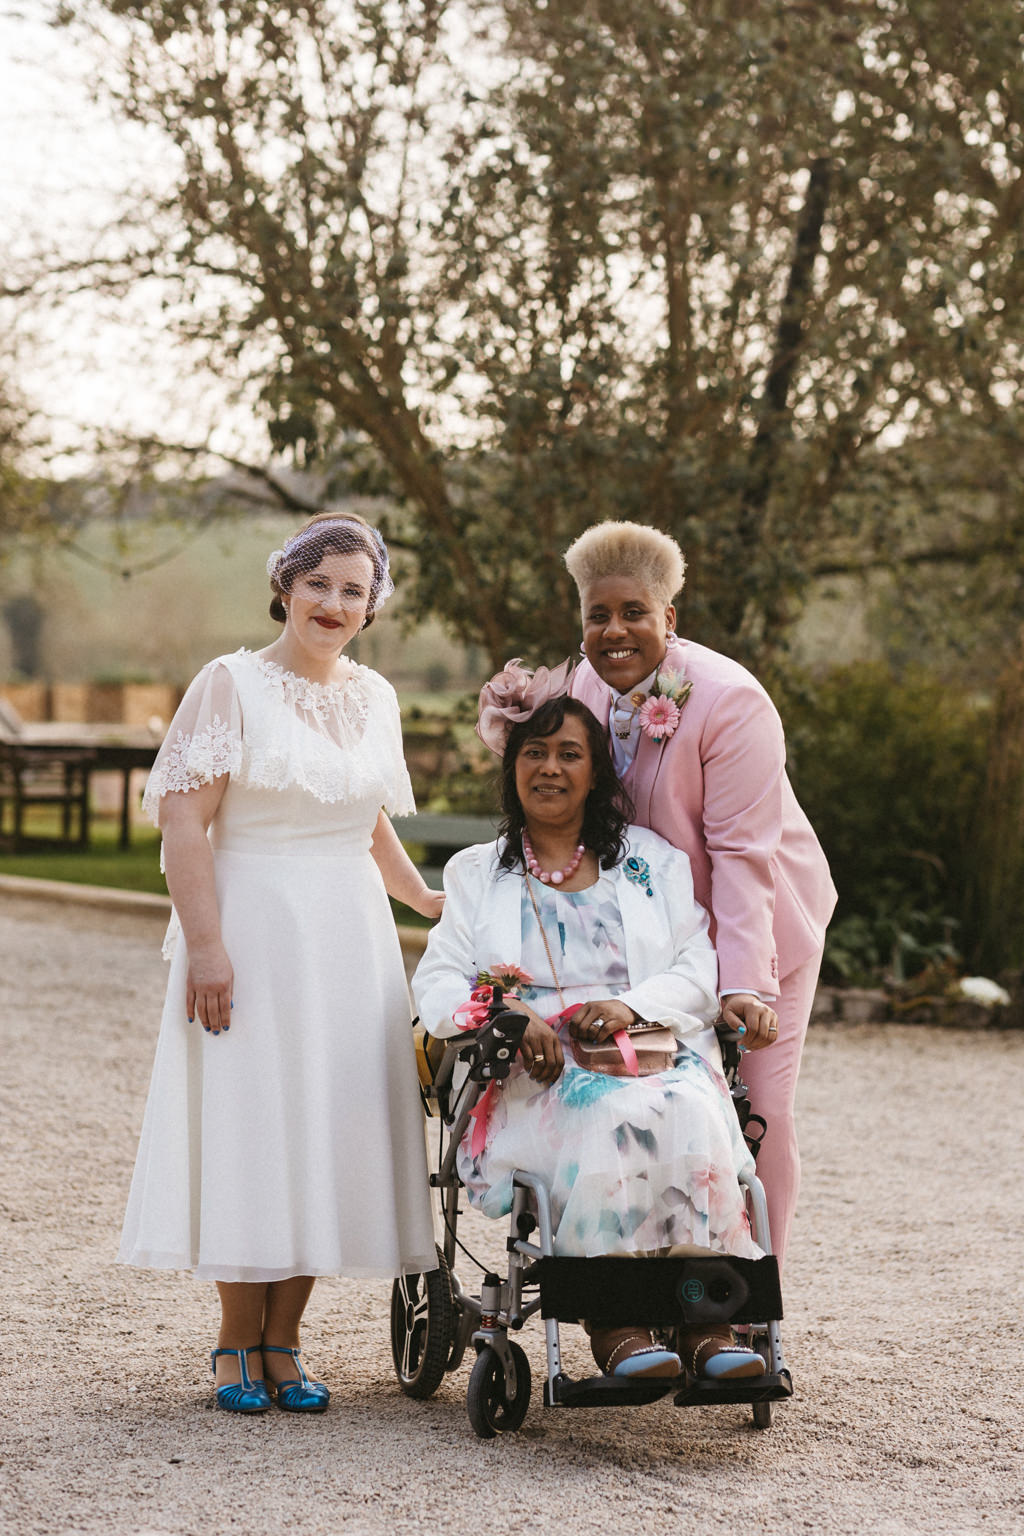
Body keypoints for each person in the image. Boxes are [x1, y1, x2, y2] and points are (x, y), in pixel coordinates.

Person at [118, 511, 442, 1414]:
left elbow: (365, 811)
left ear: (371, 607)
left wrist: (419, 899)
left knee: (330, 1127)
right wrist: (208, 946)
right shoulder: (229, 684)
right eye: (320, 584)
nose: (334, 603)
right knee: (253, 1123)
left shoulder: (375, 698)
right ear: (286, 587)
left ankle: (286, 1343)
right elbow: (183, 820)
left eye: (354, 589)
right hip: (251, 925)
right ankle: (235, 1342)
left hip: (349, 937)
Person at [413, 666, 771, 1381]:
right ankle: (617, 1326)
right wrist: (509, 1015)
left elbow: (698, 967)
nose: (549, 768)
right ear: (512, 769)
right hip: (535, 1079)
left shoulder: (651, 865)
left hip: (651, 1054)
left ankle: (710, 1324)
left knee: (692, 1115)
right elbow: (437, 983)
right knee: (599, 1119)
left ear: (597, 774)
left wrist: (631, 1005)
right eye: (534, 754)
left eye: (569, 754)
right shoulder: (477, 874)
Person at [564, 520, 837, 1268]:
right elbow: (544, 770)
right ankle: (656, 1289)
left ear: (668, 619)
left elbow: (745, 858)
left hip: (759, 926)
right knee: (649, 1103)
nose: (614, 631)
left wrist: (745, 987)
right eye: (597, 615)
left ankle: (755, 1297)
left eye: (633, 614)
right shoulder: (580, 682)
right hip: (651, 941)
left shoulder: (730, 701)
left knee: (758, 1113)